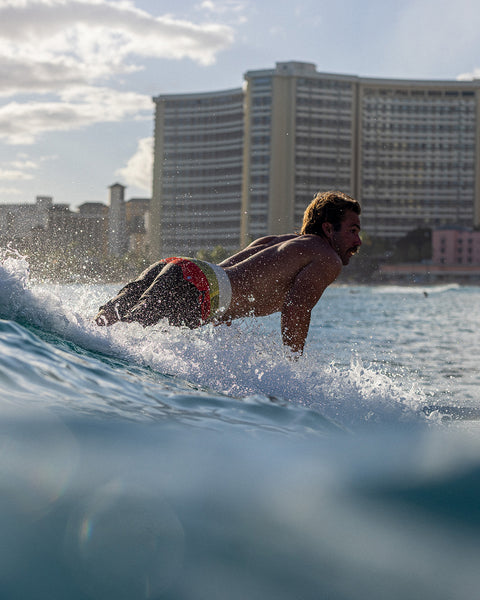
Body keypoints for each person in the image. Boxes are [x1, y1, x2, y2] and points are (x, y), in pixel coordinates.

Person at [95, 190, 361, 356]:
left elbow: (224, 274)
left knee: (105, 325)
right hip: (197, 286)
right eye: (352, 230)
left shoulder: (278, 242)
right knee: (123, 340)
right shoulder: (327, 257)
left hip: (182, 268)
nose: (358, 241)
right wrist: (293, 369)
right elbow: (296, 308)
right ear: (328, 229)